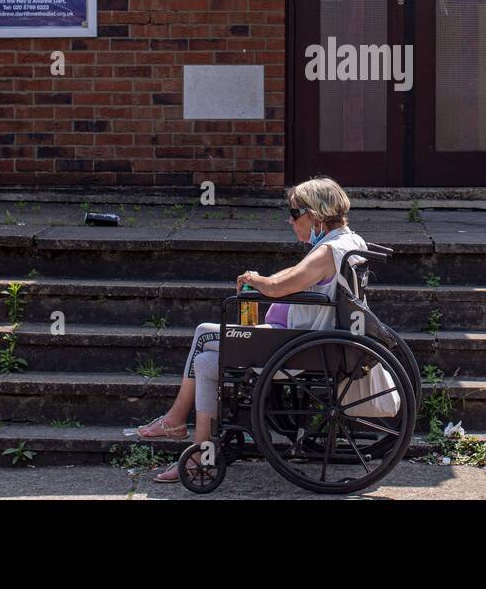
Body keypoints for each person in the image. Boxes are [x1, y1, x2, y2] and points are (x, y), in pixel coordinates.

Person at [135, 176, 366, 483]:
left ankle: (175, 420)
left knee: (204, 333)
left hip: (298, 345)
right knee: (205, 363)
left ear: (316, 214)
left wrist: (256, 279)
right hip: (307, 339)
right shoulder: (348, 242)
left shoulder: (327, 252)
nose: (290, 220)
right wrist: (265, 281)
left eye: (295, 213)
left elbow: (281, 285)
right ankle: (200, 452)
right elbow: (295, 276)